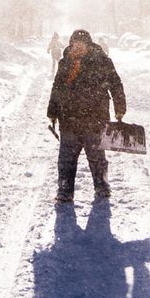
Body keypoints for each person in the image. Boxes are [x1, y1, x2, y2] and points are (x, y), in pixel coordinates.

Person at [46, 29, 126, 204]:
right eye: (75, 44)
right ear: (71, 44)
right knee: (66, 159)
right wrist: (52, 112)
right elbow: (57, 88)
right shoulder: (65, 62)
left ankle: (102, 186)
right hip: (68, 118)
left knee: (97, 156)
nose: (78, 47)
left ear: (89, 45)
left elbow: (116, 83)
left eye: (82, 44)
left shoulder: (102, 61)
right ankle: (65, 190)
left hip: (95, 119)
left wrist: (120, 108)